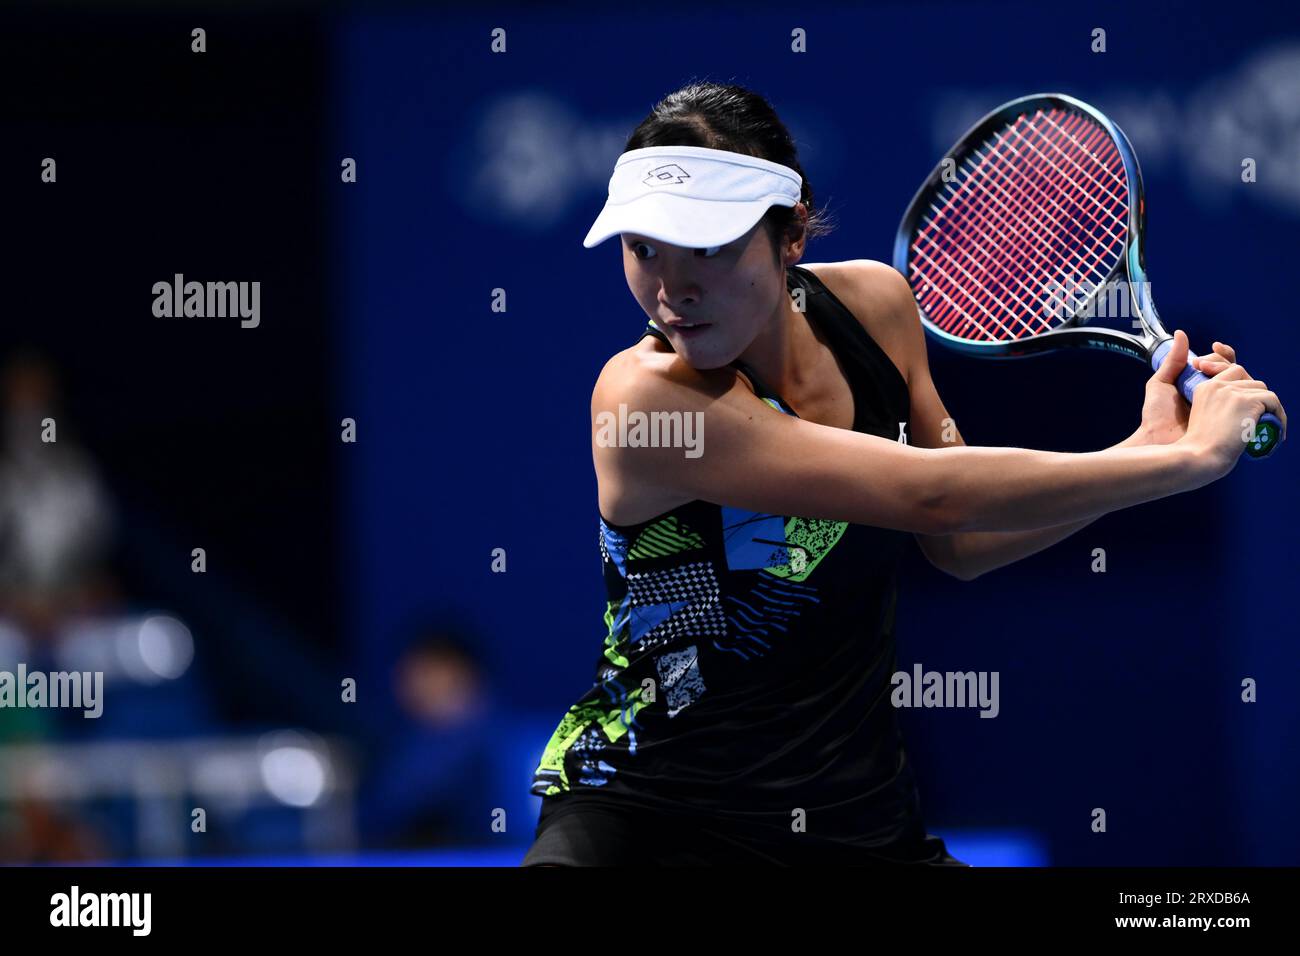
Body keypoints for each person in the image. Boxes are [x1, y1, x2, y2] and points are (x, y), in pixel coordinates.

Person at [520, 82, 1285, 866]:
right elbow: (932, 492)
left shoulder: (879, 309)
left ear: (792, 234)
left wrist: (1145, 450)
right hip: (645, 826)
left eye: (709, 247)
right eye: (643, 247)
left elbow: (961, 539)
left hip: (856, 825)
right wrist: (1178, 462)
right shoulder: (643, 401)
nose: (671, 288)